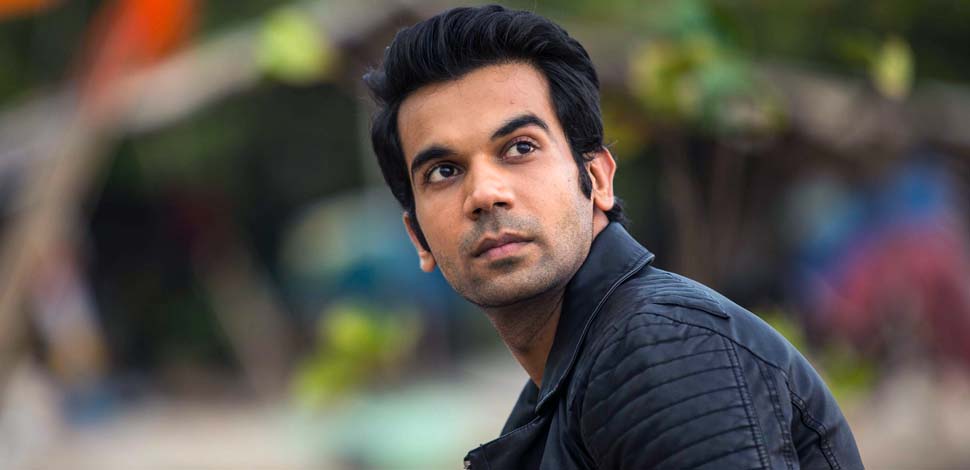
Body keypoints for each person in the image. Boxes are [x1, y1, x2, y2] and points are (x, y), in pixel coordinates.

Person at [363, 5, 863, 469]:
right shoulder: (560, 393)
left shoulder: (660, 347)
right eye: (444, 171)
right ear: (418, 238)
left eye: (520, 147)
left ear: (598, 179)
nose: (485, 194)